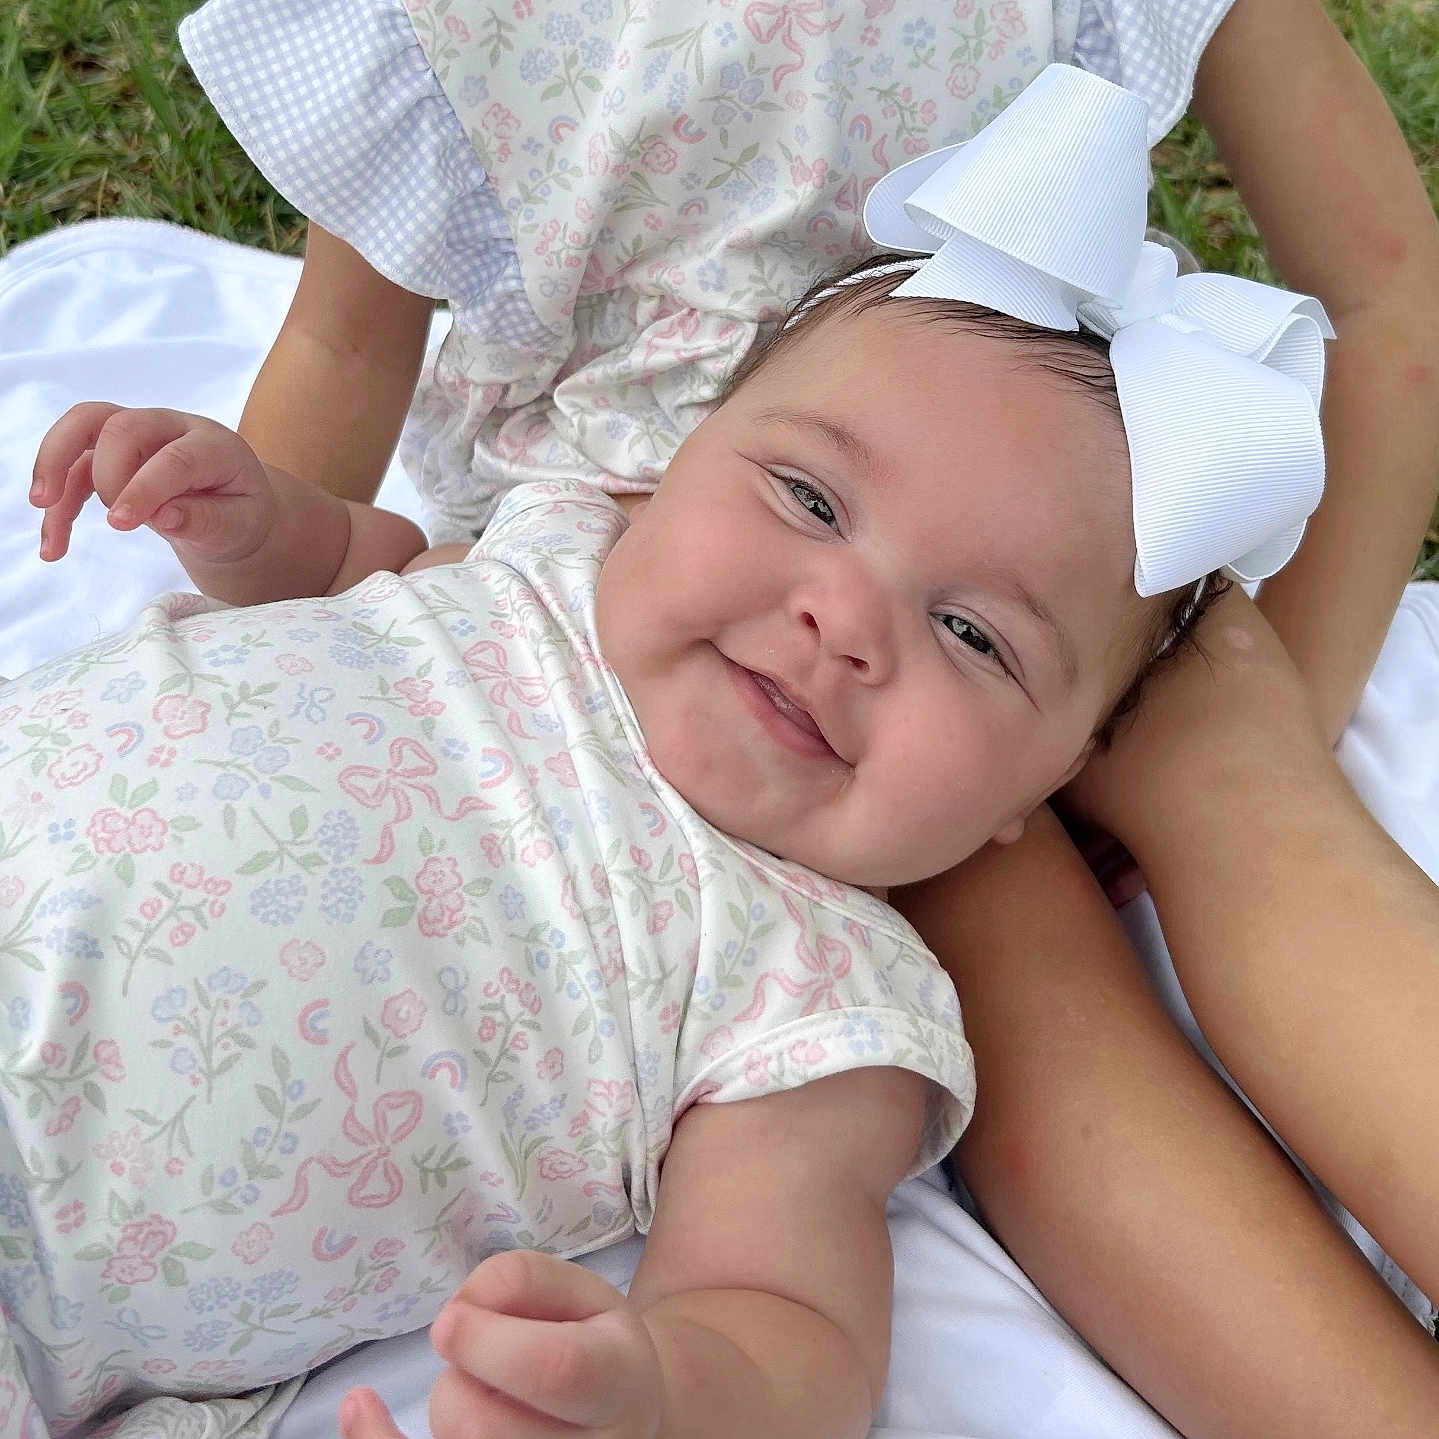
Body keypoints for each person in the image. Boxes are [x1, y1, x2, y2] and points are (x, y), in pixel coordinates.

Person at [12, 58, 1381, 1439]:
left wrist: (654, 1388)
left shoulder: (817, 997)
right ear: (673, 464)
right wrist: (254, 524)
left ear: (1040, 795)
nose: (844, 621)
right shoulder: (553, 541)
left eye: (974, 636)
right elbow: (358, 562)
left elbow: (787, 1330)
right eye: (808, 495)